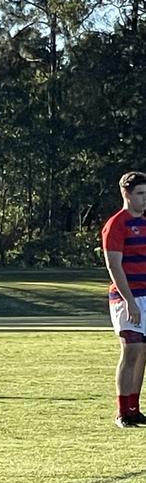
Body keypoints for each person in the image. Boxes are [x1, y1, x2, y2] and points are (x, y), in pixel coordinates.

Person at [101, 170, 146, 428]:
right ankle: (121, 412)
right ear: (126, 194)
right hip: (126, 297)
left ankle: (134, 409)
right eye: (139, 194)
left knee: (143, 353)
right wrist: (128, 299)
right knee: (131, 350)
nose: (144, 199)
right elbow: (114, 265)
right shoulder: (117, 224)